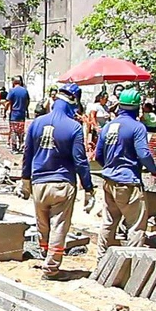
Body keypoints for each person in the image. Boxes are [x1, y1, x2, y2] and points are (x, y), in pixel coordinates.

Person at [17, 83, 95, 281]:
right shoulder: (74, 127)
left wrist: (25, 179)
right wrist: (88, 188)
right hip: (62, 184)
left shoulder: (36, 123)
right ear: (73, 103)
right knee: (59, 225)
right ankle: (51, 269)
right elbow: (80, 160)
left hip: (39, 183)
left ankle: (45, 254)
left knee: (42, 224)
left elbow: (28, 154)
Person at [95, 89, 156, 262]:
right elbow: (144, 154)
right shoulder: (137, 127)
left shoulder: (109, 126)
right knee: (136, 225)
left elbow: (98, 155)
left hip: (109, 181)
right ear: (137, 107)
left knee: (109, 222)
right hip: (128, 184)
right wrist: (154, 170)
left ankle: (101, 260)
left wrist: (110, 168)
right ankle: (130, 265)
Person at [5, 76, 30, 152]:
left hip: (14, 114)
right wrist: (25, 109)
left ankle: (14, 148)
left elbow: (8, 102)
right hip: (22, 113)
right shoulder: (25, 91)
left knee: (13, 131)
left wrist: (5, 112)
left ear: (14, 82)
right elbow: (28, 101)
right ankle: (22, 145)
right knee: (21, 130)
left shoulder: (12, 91)